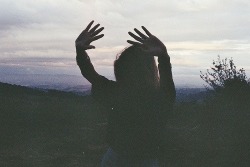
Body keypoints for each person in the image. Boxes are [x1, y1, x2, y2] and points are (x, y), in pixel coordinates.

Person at [75, 20, 176, 167]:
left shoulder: (116, 92)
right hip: (144, 161)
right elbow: (167, 83)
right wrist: (163, 56)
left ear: (121, 69)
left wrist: (80, 50)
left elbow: (90, 74)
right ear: (149, 69)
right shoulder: (159, 98)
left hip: (115, 159)